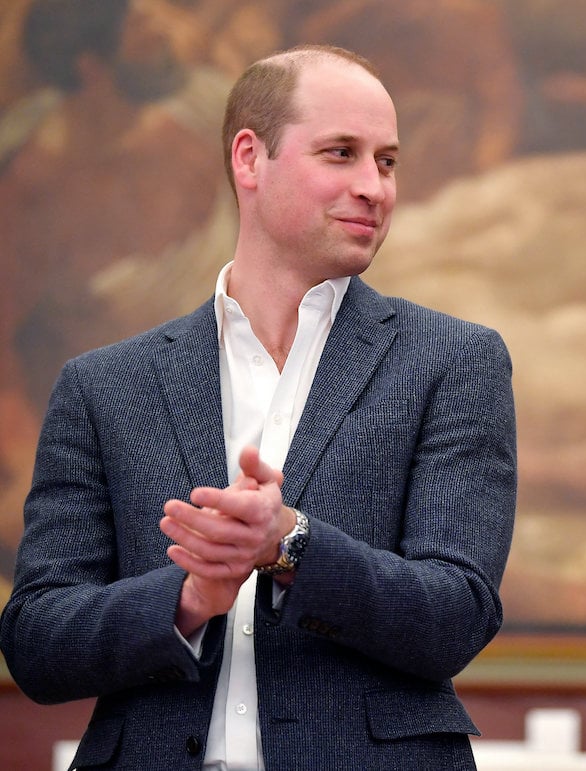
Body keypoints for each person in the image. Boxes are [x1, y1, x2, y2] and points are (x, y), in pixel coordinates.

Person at [0, 43, 516, 770]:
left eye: (388, 161)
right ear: (250, 158)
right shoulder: (104, 384)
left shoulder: (454, 362)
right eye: (341, 153)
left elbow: (456, 615)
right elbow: (36, 644)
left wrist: (291, 543)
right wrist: (187, 597)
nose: (374, 186)